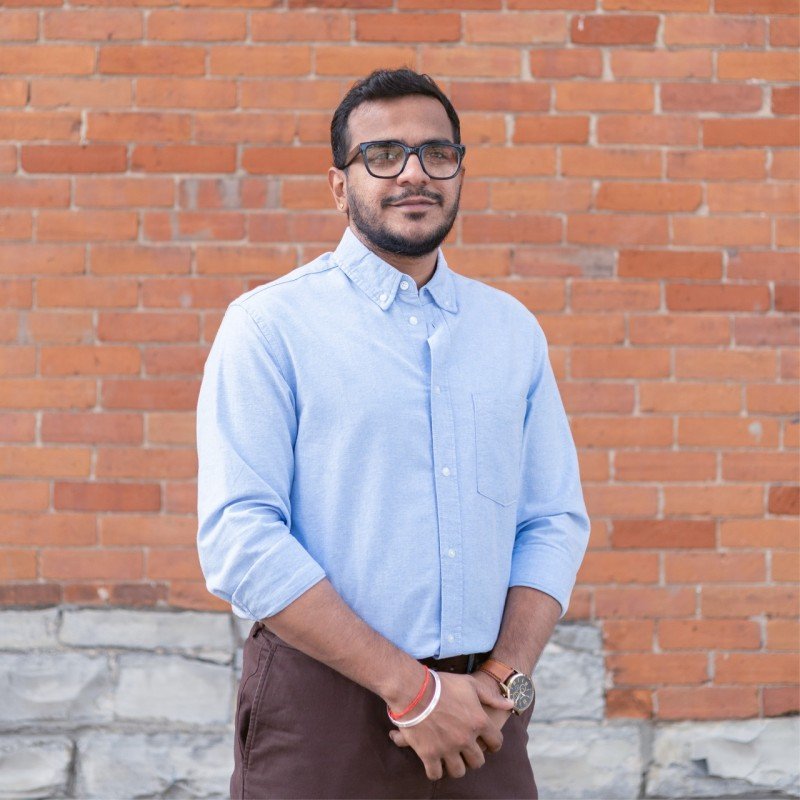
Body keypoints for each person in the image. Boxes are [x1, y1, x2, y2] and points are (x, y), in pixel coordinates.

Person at [196, 68, 590, 800]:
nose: (414, 173)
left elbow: (552, 519)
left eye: (437, 154)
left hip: (485, 710)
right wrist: (410, 689)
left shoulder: (510, 333)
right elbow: (239, 537)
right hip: (325, 709)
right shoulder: (270, 327)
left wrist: (505, 678)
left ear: (459, 171)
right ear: (340, 186)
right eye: (382, 155)